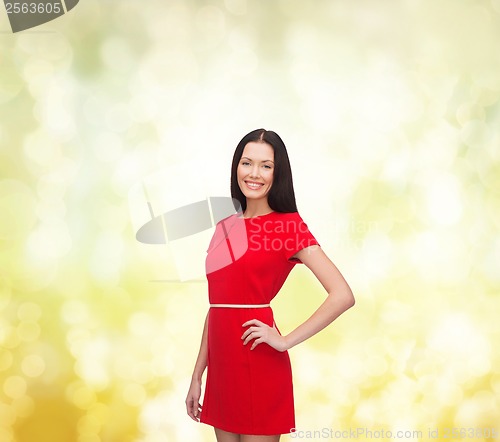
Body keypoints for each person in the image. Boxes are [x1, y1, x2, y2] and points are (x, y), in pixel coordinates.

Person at [185, 129, 355, 442]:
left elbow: (342, 295)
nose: (254, 173)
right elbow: (218, 307)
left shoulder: (289, 225)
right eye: (247, 163)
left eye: (266, 166)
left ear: (278, 174)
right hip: (222, 370)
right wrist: (198, 376)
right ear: (236, 167)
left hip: (258, 360)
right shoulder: (224, 225)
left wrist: (285, 340)